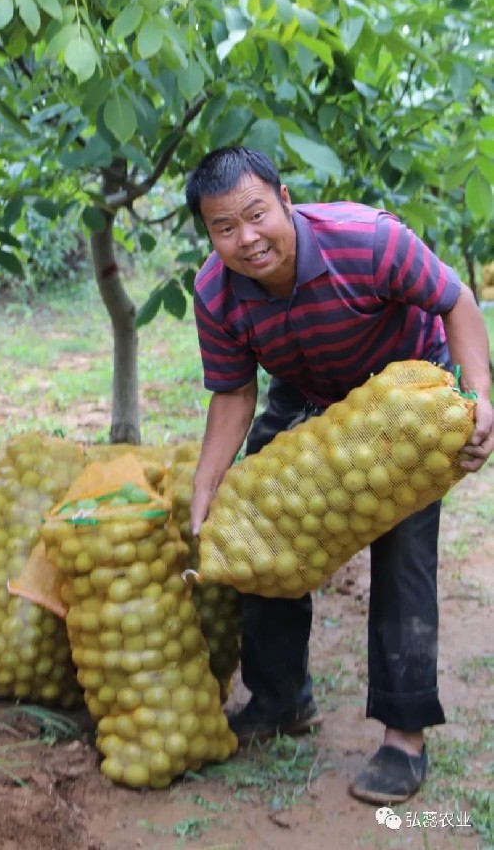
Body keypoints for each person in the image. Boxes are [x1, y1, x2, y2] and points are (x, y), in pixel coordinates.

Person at [185, 146, 494, 805]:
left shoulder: (371, 242)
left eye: (256, 215)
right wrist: (208, 488)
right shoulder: (215, 293)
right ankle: (279, 698)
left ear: (285, 198)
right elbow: (235, 393)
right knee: (254, 523)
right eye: (224, 227)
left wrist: (480, 397)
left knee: (404, 545)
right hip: (305, 390)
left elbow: (458, 300)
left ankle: (403, 734)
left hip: (401, 399)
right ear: (208, 234)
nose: (246, 238)